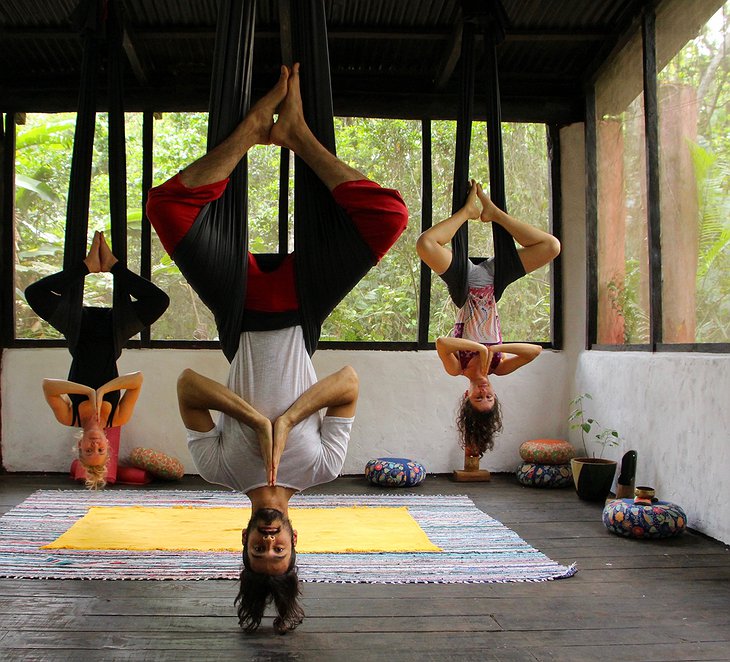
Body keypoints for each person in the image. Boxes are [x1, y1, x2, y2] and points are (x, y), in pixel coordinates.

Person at [146, 63, 408, 634]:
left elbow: (189, 384)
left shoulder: (219, 468)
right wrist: (287, 419)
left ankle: (251, 129)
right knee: (391, 216)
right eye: (279, 551)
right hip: (300, 304)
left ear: (243, 542)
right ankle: (298, 137)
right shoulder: (322, 468)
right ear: (293, 540)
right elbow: (347, 383)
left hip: (237, 307)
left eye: (258, 552)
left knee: (164, 209)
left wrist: (247, 417)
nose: (269, 542)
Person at [416, 179, 560, 457]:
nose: (484, 391)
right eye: (489, 396)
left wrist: (477, 348)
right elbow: (534, 351)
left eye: (478, 397)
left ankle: (467, 213)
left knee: (425, 244)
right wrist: (493, 350)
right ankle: (495, 214)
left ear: (467, 396)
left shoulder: (457, 368)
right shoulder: (499, 367)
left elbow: (442, 343)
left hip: (465, 283)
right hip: (494, 283)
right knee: (551, 246)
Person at [25, 231, 170, 489]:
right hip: (114, 333)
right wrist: (102, 392)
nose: (94, 446)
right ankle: (113, 266)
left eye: (88, 450)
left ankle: (86, 267)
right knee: (159, 301)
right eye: (99, 449)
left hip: (78, 329)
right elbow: (136, 380)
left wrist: (87, 392)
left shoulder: (69, 416)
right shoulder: (117, 416)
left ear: (79, 445)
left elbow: (49, 386)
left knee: (34, 293)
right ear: (107, 444)